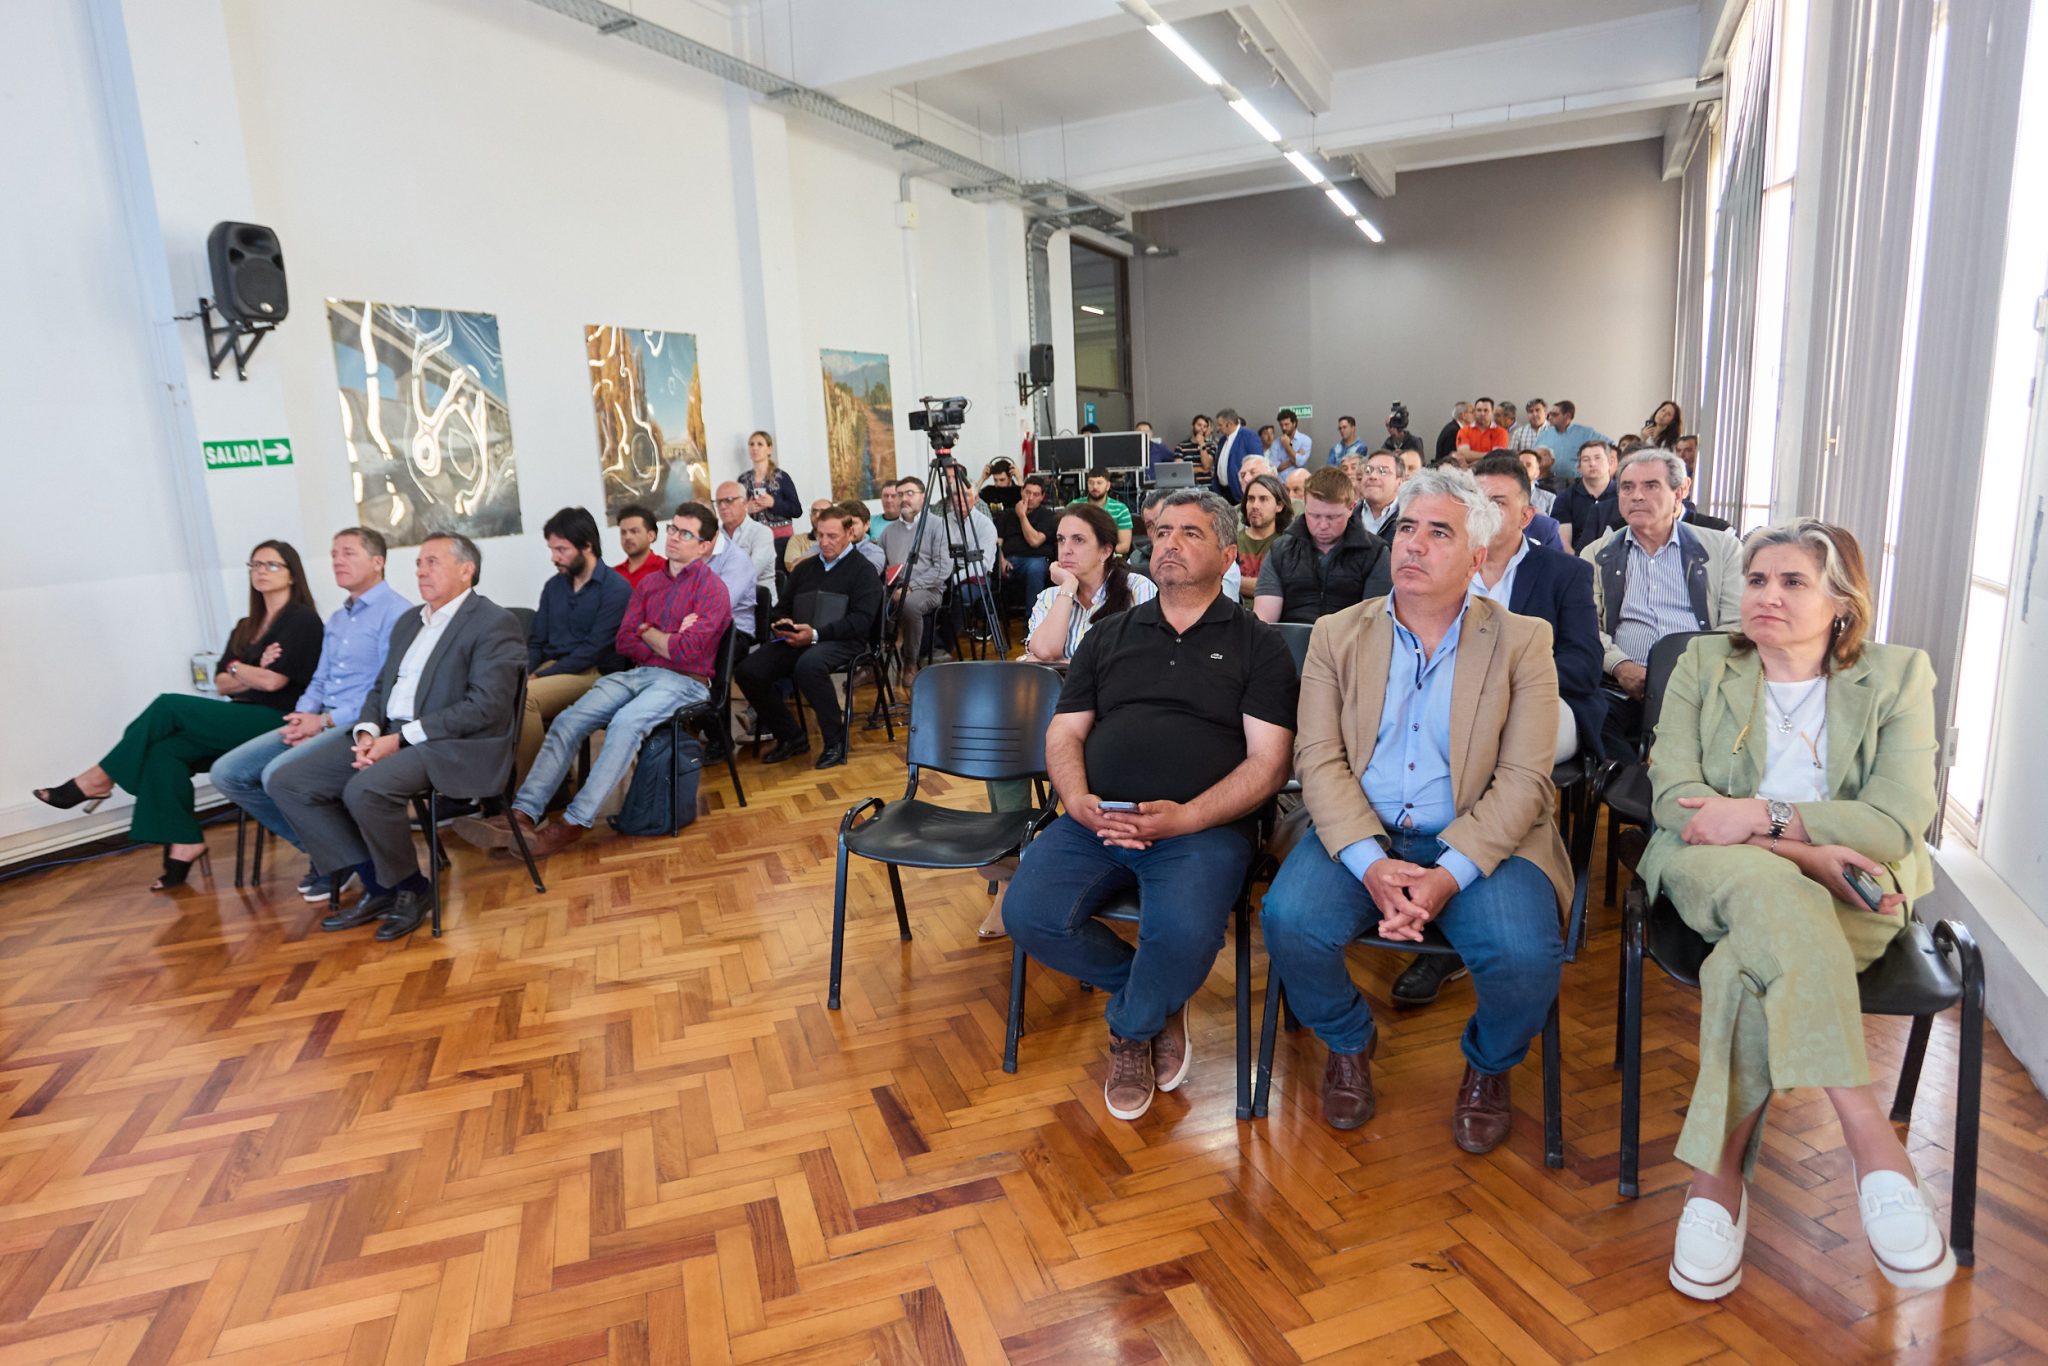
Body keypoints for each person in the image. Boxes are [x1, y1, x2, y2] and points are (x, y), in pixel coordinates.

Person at [1643, 521, 1953, 1298]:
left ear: (1842, 603)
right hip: (1718, 868)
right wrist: (1807, 854)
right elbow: (1677, 798)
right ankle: (1871, 1140)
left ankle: (1717, 1180)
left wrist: (1760, 817)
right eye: (1756, 580)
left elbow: (1893, 823)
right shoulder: (1703, 664)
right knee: (1778, 893)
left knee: (1745, 970)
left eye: (1792, 582)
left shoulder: (1898, 677)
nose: (1767, 596)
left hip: (1856, 888)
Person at [1260, 466, 1572, 1148]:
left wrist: (1446, 876)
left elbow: (1524, 780)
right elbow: (1318, 759)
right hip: (1362, 830)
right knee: (1288, 921)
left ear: (1477, 558)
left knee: (1526, 958)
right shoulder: (1337, 634)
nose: (1413, 545)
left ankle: (1488, 1064)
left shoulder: (1524, 641)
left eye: (1439, 533)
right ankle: (1348, 1039)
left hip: (1484, 838)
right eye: (1406, 528)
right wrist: (1371, 865)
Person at [1004, 489, 1298, 1121]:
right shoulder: (1109, 635)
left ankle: (1132, 1028)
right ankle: (1158, 996)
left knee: (1184, 933)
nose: (1169, 543)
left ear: (1228, 555)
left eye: (1190, 533)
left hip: (1203, 827)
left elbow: (1270, 764)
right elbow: (1064, 733)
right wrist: (1076, 799)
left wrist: (1188, 816)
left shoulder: (1258, 644)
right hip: (1098, 817)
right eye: (1162, 531)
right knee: (1028, 915)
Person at [1385, 454, 1606, 1009]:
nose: (1480, 507)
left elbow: (1583, 664)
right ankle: (1441, 892)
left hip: (1542, 704)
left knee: (1493, 749)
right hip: (1443, 710)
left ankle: (1453, 893)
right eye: (1474, 497)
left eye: (1497, 501)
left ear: (1527, 515)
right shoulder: (1428, 566)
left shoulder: (1564, 573)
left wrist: (1505, 681)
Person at [266, 534, 524, 941]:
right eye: (419, 563)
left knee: (365, 789)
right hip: (390, 733)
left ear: (466, 569)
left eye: (432, 562)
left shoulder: (493, 623)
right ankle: (378, 883)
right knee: (288, 781)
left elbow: (485, 707)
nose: (420, 571)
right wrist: (368, 731)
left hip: (452, 744)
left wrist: (400, 739)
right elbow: (380, 688)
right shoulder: (409, 622)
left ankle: (412, 888)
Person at [36, 541, 325, 891]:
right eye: (255, 564)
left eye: (272, 565)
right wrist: (248, 669)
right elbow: (221, 683)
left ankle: (98, 778)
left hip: (281, 722)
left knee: (168, 706)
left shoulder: (302, 620)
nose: (261, 571)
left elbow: (273, 682)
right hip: (241, 717)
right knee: (164, 752)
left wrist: (239, 668)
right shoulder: (246, 626)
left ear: (292, 574)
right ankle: (185, 841)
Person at [455, 502, 734, 859]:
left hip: (685, 681)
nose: (675, 537)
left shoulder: (712, 589)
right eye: (673, 529)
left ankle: (572, 823)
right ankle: (522, 814)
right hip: (639, 674)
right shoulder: (649, 584)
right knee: (569, 721)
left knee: (625, 724)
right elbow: (625, 640)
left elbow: (686, 651)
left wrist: (649, 632)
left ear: (705, 545)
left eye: (686, 533)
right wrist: (664, 637)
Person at [209, 528, 413, 901]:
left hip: (361, 725)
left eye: (348, 553)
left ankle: (341, 857)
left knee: (277, 776)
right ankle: (333, 851)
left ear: (378, 562)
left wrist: (323, 722)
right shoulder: (337, 619)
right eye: (334, 554)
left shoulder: (398, 613)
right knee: (228, 773)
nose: (337, 561)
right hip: (320, 720)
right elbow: (319, 680)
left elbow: (385, 691)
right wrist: (302, 718)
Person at [1581, 449, 1745, 760]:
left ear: (1680, 492)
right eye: (1627, 487)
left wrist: (1689, 675)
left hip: (1702, 685)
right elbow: (1587, 629)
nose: (1636, 496)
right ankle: (1634, 784)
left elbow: (1736, 625)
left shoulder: (1722, 549)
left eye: (1651, 486)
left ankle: (1668, 781)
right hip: (1623, 686)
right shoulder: (1596, 554)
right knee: (1590, 716)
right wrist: (1621, 666)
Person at [734, 506, 884, 769]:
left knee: (809, 666)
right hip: (800, 638)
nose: (824, 542)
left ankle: (836, 742)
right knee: (749, 670)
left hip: (844, 640)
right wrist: (781, 624)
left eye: (832, 536)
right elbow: (782, 608)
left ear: (850, 533)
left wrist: (815, 634)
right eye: (820, 535)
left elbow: (861, 622)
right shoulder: (805, 569)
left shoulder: (863, 570)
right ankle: (791, 736)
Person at [519, 507, 632, 782]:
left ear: (587, 546)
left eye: (562, 549)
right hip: (555, 667)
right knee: (503, 694)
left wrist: (539, 677)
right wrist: (524, 672)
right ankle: (554, 782)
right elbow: (537, 641)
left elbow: (592, 650)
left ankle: (533, 791)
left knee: (525, 699)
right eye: (552, 549)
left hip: (595, 673)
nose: (554, 557)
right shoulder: (554, 586)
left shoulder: (616, 588)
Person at [1023, 504, 1159, 666]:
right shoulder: (1049, 597)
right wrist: (1068, 586)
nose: (1065, 550)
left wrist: (1065, 665)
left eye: (1078, 540)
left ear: (1105, 551)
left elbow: (1145, 660)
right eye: (1061, 540)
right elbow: (1045, 653)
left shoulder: (1138, 588)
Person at [1254, 467, 1393, 625]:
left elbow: (1374, 623)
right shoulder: (1280, 551)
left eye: (1332, 517)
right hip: (1289, 638)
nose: (1323, 525)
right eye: (1314, 515)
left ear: (1351, 508)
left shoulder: (1376, 553)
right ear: (1305, 506)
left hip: (1350, 638)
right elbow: (1264, 622)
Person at [897, 474, 998, 682]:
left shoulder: (985, 525)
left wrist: (953, 579)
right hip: (946, 572)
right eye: (955, 496)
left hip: (974, 575)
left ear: (975, 499)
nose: (960, 500)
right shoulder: (943, 522)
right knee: (923, 597)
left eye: (965, 495)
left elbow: (983, 565)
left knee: (957, 598)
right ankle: (924, 650)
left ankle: (941, 647)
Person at [740, 430, 802, 568]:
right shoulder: (743, 479)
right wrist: (746, 510)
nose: (755, 448)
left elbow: (797, 510)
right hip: (754, 541)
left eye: (760, 444)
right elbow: (736, 512)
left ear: (769, 449)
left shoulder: (782, 477)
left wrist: (774, 503)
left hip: (781, 541)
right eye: (751, 444)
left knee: (781, 577)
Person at [998, 473, 1060, 606]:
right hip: (1009, 559)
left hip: (1035, 559)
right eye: (1027, 492)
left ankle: (1033, 617)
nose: (1030, 498)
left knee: (1035, 568)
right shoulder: (1007, 515)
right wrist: (1001, 560)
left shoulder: (1047, 516)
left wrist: (1022, 516)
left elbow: (1035, 541)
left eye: (1036, 494)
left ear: (1042, 496)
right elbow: (998, 543)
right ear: (1021, 491)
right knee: (989, 568)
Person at [1235, 473, 1292, 607]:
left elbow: (1284, 588)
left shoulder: (1288, 545)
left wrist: (1233, 581)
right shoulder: (1230, 541)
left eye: (1263, 499)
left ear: (1279, 506)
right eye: (1250, 499)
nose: (1255, 505)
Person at [1552, 440, 1618, 552]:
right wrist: (1579, 562)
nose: (1592, 463)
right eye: (1586, 459)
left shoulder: (1622, 494)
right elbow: (1563, 544)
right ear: (1579, 467)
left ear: (1610, 462)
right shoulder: (1565, 498)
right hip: (1577, 559)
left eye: (1597, 458)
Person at [714, 480, 777, 590]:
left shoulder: (762, 533)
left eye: (729, 500)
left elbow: (749, 573)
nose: (722, 506)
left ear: (745, 503)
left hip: (757, 597)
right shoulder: (715, 535)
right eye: (719, 502)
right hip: (721, 595)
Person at [1534, 400, 1610, 483]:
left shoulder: (1586, 433)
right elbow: (1533, 456)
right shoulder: (1544, 435)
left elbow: (1611, 445)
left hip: (1577, 482)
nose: (1550, 418)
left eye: (1555, 415)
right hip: (1549, 482)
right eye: (1549, 414)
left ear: (1567, 416)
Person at [1069, 468, 1133, 555]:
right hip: (1079, 555)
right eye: (1091, 483)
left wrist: (1098, 553)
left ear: (1108, 486)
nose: (1095, 487)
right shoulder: (1074, 506)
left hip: (1110, 557)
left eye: (1099, 483)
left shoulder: (1121, 510)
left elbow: (1124, 546)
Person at [1211, 408, 1263, 501]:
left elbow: (1258, 464)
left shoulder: (1249, 436)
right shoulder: (1222, 440)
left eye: (1220, 425)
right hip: (1222, 492)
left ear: (1229, 424)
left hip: (1240, 492)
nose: (1218, 428)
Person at [612, 505, 665, 588]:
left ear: (651, 536)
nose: (627, 537)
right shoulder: (613, 574)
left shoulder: (665, 570)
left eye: (634, 531)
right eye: (623, 532)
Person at [1357, 451, 1402, 540]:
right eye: (1368, 470)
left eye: (1383, 471)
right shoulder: (1348, 516)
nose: (1372, 476)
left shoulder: (1409, 518)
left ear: (1399, 482)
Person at [836, 501, 887, 572]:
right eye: (844, 523)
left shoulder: (874, 552)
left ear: (866, 525)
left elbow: (861, 576)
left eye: (853, 523)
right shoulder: (826, 548)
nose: (849, 528)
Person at [784, 499, 835, 563]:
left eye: (823, 512)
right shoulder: (797, 540)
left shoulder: (841, 538)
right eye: (814, 512)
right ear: (810, 516)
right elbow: (793, 565)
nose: (817, 515)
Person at [1176, 414, 1217, 481]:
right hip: (1188, 485)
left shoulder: (1211, 446)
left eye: (1205, 426)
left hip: (1206, 485)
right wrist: (1201, 469)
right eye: (1199, 425)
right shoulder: (1181, 446)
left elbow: (1207, 466)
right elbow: (1179, 470)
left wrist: (1202, 444)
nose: (1202, 428)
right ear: (1193, 426)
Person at [1517, 449, 1558, 514]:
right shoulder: (1504, 495)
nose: (1523, 468)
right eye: (1520, 464)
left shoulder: (1549, 499)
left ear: (1537, 473)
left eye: (1528, 465)